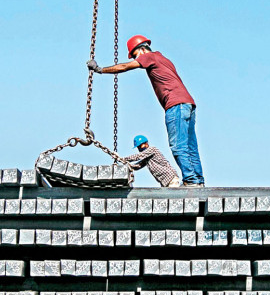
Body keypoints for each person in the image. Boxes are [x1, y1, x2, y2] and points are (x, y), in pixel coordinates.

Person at [87, 35, 205, 186]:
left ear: (142, 49)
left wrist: (100, 69)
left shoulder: (149, 56)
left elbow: (125, 67)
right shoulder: (163, 59)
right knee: (190, 147)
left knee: (178, 146)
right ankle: (198, 181)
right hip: (188, 104)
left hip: (175, 105)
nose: (137, 60)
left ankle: (191, 181)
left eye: (136, 56)